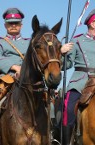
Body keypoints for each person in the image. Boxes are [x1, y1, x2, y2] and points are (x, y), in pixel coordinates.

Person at [0, 8, 30, 145]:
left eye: (16, 23)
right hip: (5, 79)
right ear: (5, 25)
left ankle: (51, 136)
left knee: (49, 102)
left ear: (21, 25)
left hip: (27, 80)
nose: (13, 25)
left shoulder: (30, 42)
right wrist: (15, 67)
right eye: (10, 23)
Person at [60, 9, 95, 145]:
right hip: (82, 80)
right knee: (69, 108)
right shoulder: (77, 40)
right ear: (93, 24)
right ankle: (66, 142)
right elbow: (66, 65)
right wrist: (61, 53)